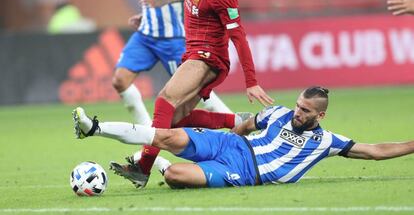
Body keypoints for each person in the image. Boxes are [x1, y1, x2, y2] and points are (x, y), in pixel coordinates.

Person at [109, 0, 274, 188]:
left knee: (164, 101)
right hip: (193, 52)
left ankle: (143, 167)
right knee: (174, 121)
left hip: (208, 57)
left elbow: (239, 37)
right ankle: (240, 121)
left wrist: (251, 81)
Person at [73, 85, 414, 188]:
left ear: (320, 116)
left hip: (246, 171)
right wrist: (221, 140)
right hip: (230, 144)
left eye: (306, 111)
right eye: (298, 106)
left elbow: (375, 150)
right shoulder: (278, 113)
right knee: (165, 135)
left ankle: (158, 165)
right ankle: (95, 129)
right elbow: (245, 125)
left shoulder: (327, 142)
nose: (298, 112)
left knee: (176, 175)